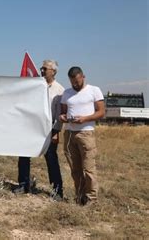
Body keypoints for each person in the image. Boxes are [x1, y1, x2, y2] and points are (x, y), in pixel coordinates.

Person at [13, 60, 65, 199]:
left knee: (51, 160)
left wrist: (56, 132)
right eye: (41, 68)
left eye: (45, 68)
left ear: (53, 71)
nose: (42, 70)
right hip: (31, 128)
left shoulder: (59, 90)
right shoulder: (35, 85)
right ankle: (23, 184)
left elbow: (60, 114)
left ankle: (57, 191)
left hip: (49, 130)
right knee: (24, 155)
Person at [59, 66, 105, 205]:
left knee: (89, 168)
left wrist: (84, 119)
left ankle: (92, 199)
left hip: (86, 133)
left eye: (77, 81)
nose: (75, 84)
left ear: (83, 77)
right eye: (72, 82)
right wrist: (63, 118)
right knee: (75, 169)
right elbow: (63, 113)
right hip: (69, 133)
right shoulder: (66, 93)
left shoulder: (94, 90)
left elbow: (101, 112)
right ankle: (80, 196)